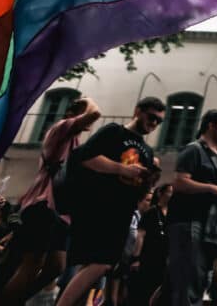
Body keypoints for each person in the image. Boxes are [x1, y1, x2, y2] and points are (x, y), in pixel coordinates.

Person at [0, 97, 101, 306]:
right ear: (71, 114)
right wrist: (88, 101)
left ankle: (9, 300)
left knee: (56, 266)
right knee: (32, 263)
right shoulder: (61, 129)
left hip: (60, 211)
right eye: (82, 114)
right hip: (43, 204)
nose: (90, 123)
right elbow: (95, 113)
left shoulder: (74, 141)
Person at [57, 96, 163, 306]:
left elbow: (141, 189)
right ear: (137, 111)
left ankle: (87, 304)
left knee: (101, 269)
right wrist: (123, 168)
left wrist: (149, 179)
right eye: (151, 117)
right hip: (100, 205)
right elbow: (86, 158)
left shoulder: (148, 152)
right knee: (100, 264)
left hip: (123, 213)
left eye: (159, 121)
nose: (153, 124)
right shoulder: (114, 132)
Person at [165, 109, 217, 306]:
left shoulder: (216, 157)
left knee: (197, 281)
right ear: (211, 125)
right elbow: (180, 182)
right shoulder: (193, 150)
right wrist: (213, 189)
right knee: (187, 282)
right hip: (189, 221)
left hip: (208, 228)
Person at [129, 183, 172, 306]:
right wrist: (136, 258)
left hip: (164, 259)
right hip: (149, 257)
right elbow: (140, 235)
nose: (171, 195)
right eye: (169, 192)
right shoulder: (151, 212)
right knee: (146, 290)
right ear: (160, 194)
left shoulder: (172, 215)